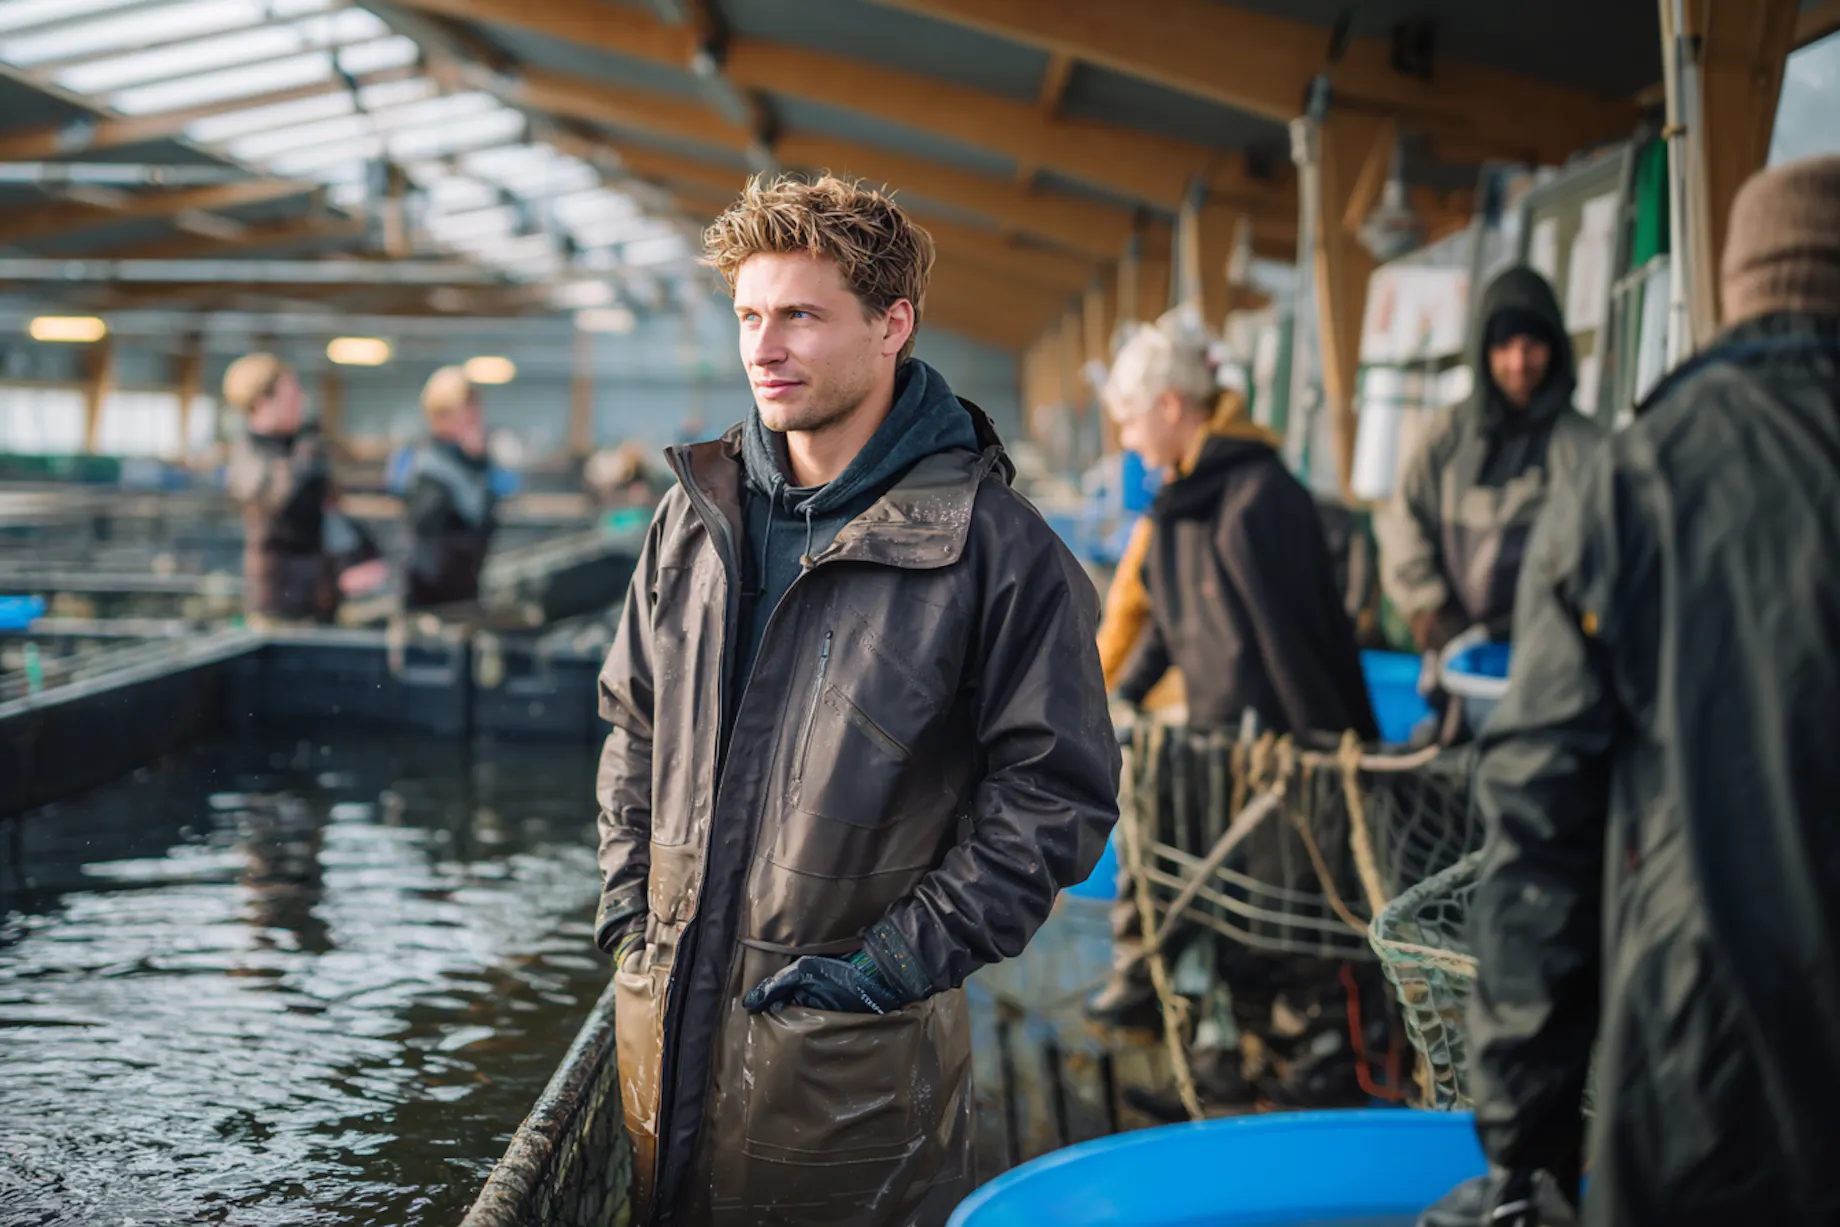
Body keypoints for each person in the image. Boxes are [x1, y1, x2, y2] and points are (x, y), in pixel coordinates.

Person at [594, 173, 1121, 1227]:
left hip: (849, 1082)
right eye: (749, 314)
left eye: (799, 314)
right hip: (663, 1041)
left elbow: (1053, 796)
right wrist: (625, 903)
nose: (763, 348)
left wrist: (888, 969)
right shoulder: (690, 518)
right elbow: (631, 719)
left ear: (893, 325)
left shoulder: (994, 551)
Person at [1426, 156, 1840, 1227]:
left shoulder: (1635, 472)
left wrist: (1526, 1133)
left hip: (1708, 1073)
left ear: (1739, 289)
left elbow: (1541, 824)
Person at [1092, 306, 1384, 1110]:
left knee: (1296, 927)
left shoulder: (1256, 498)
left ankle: (1315, 1085)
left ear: (1172, 408)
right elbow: (1169, 628)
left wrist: (1326, 765)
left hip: (1283, 758)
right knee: (1232, 930)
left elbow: (1296, 648)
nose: (1127, 439)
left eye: (1129, 420)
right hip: (1222, 754)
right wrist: (1100, 696)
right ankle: (1234, 1083)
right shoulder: (1182, 505)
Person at [1376, 267, 1602, 663]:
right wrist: (1430, 612)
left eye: (1533, 344)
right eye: (1504, 345)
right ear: (1483, 351)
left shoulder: (1588, 449)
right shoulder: (1447, 437)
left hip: (1555, 665)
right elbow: (1402, 520)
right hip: (1455, 657)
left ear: (1556, 348)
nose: (1518, 362)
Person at [223, 353, 384, 623]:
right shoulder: (249, 458)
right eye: (291, 394)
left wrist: (358, 554)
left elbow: (330, 512)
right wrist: (305, 458)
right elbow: (280, 504)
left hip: (318, 596)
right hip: (279, 605)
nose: (301, 401)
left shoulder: (299, 447)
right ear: (264, 404)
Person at [402, 366, 496, 609]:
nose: (476, 418)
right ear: (442, 416)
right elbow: (434, 547)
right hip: (434, 602)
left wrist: (477, 464)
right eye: (468, 409)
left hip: (462, 595)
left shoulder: (469, 466)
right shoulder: (430, 472)